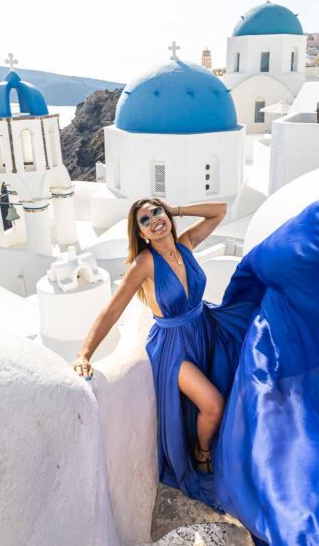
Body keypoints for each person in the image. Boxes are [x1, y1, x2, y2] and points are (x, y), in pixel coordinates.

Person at [73, 198, 236, 504]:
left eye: (157, 212)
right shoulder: (144, 264)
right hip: (173, 347)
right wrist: (84, 353)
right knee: (213, 404)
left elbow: (220, 211)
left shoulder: (185, 245)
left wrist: (176, 210)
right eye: (144, 221)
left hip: (203, 329)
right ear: (141, 234)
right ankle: (202, 452)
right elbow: (112, 310)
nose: (154, 221)